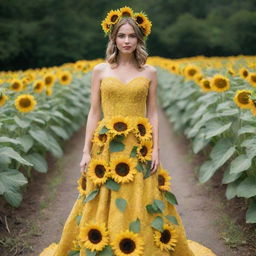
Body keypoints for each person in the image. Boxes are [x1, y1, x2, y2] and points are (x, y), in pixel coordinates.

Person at [40, 6, 216, 256]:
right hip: (107, 143)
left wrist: (156, 150)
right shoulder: (100, 70)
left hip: (138, 143)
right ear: (113, 38)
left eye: (131, 36)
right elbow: (94, 112)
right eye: (121, 35)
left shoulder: (150, 72)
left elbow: (153, 113)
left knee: (140, 195)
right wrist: (86, 151)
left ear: (139, 39)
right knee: (104, 193)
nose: (126, 41)